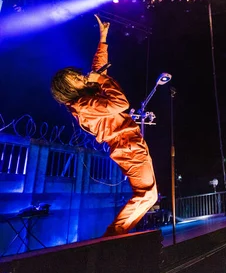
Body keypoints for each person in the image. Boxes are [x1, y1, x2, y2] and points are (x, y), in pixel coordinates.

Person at [50, 14, 158, 237]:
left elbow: (98, 70)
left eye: (78, 75)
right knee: (146, 194)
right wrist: (100, 80)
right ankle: (113, 238)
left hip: (129, 142)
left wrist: (103, 37)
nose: (82, 78)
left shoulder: (87, 98)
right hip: (126, 145)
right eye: (76, 80)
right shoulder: (83, 105)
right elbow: (121, 103)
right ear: (69, 90)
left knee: (149, 195)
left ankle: (118, 236)